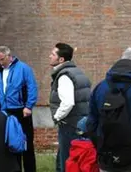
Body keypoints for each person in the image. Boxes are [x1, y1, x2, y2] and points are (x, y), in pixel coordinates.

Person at [49, 43, 92, 172]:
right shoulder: (77, 72)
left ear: (61, 59)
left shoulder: (64, 76)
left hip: (69, 124)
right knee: (74, 161)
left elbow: (68, 102)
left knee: (68, 163)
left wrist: (56, 117)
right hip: (80, 123)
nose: (49, 56)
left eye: (53, 54)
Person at [0, 45, 38, 172]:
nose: (0, 63)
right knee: (11, 142)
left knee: (27, 142)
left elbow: (32, 87)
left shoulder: (23, 68)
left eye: (2, 59)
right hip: (5, 110)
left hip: (21, 109)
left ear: (9, 56)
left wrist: (28, 106)